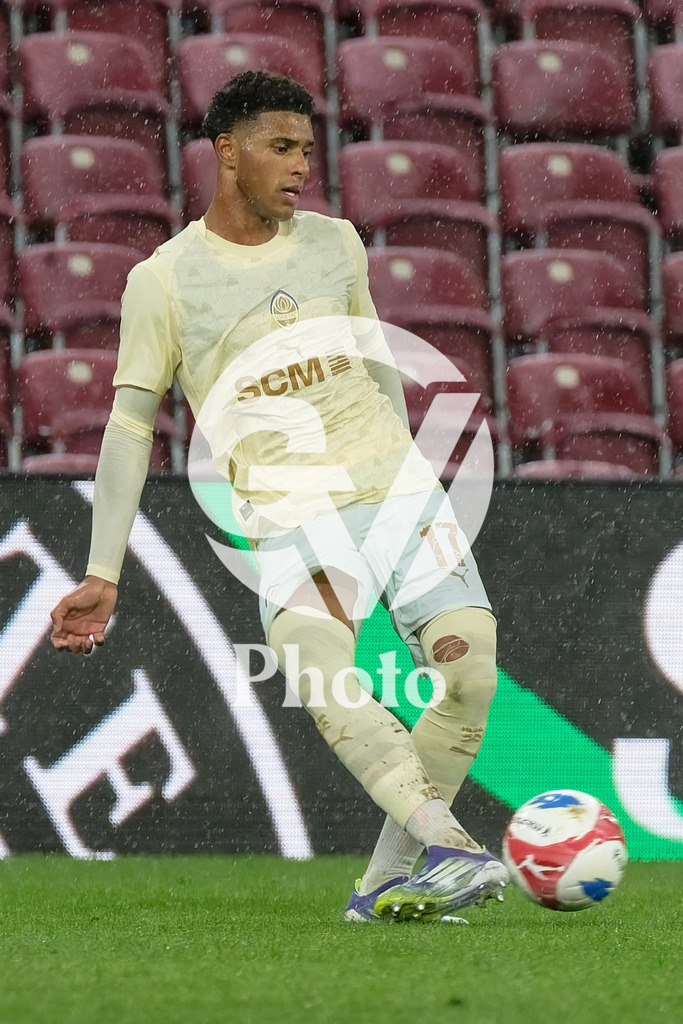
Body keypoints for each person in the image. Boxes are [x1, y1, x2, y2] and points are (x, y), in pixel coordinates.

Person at [50, 70, 508, 923]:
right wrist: (102, 568)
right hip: (292, 513)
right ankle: (449, 847)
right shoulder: (164, 280)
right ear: (227, 151)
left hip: (394, 491)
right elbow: (128, 428)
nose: (301, 166)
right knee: (325, 671)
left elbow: (371, 358)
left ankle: (382, 884)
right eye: (282, 147)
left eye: (307, 149)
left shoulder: (335, 243)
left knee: (470, 673)